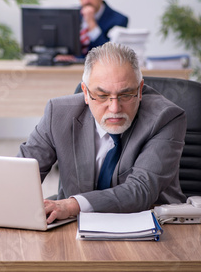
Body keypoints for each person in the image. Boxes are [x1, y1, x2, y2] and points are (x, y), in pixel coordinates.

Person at [18, 42, 187, 224]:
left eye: (126, 95)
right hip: (74, 227)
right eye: (102, 96)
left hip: (152, 226)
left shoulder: (166, 117)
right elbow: (21, 174)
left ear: (139, 90)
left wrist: (71, 206)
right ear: (85, 92)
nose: (114, 108)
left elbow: (140, 190)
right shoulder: (58, 114)